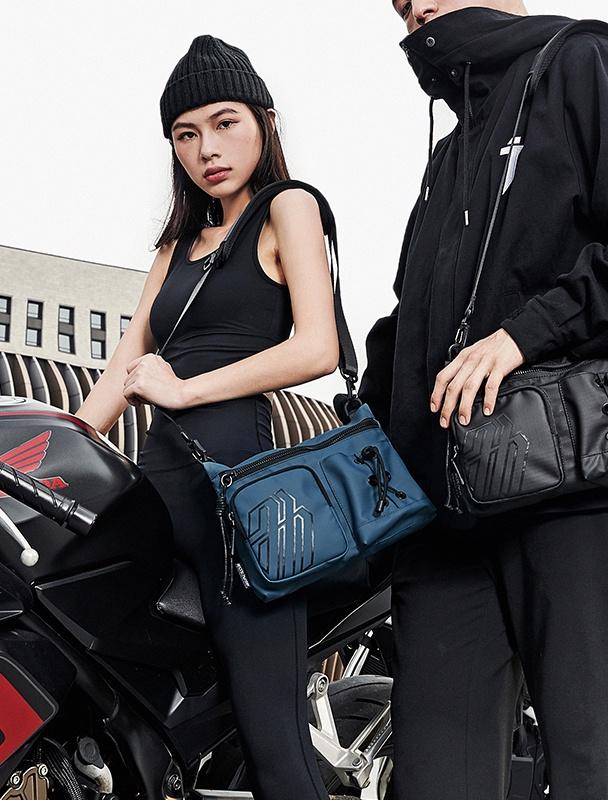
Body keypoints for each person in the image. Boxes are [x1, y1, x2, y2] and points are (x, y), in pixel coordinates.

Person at [359, 2, 608, 798]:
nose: (413, 7)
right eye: (398, 2)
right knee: (432, 776)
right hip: (450, 510)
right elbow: (412, 324)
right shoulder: (450, 153)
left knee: (593, 767)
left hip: (584, 484)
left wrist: (524, 335)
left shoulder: (584, 63)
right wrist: (356, 432)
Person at [76, 35, 339, 800]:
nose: (207, 149)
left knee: (272, 745)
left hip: (241, 502)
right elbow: (124, 367)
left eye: (225, 124)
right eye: (186, 134)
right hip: (154, 491)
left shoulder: (288, 207)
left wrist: (186, 390)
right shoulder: (177, 245)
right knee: (97, 692)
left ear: (264, 121)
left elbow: (317, 347)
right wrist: (57, 447)